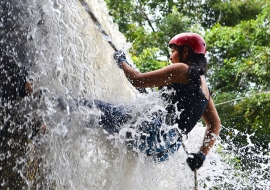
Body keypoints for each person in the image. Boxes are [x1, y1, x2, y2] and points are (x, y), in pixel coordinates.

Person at [111, 32, 221, 171]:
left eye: (173, 51)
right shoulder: (205, 88)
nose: (170, 56)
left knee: (90, 109)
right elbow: (215, 123)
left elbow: (137, 80)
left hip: (152, 133)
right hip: (165, 149)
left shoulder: (182, 69)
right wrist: (201, 155)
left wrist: (122, 61)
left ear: (185, 52)